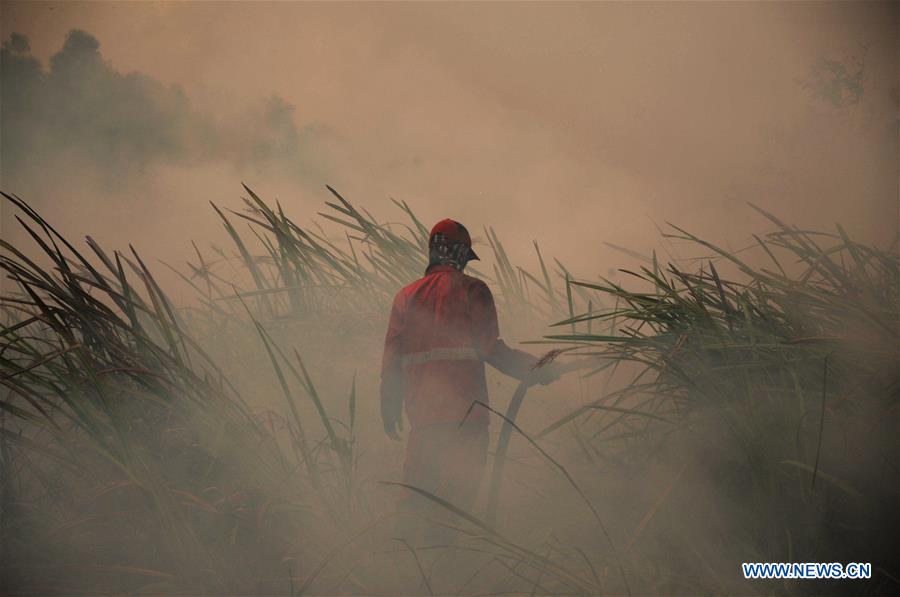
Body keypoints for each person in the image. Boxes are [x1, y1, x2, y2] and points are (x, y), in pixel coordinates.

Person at [381, 218, 559, 544]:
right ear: (460, 254)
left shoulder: (405, 297)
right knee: (456, 508)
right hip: (467, 421)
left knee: (414, 502)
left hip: (423, 420)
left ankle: (400, 569)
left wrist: (388, 406)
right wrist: (538, 369)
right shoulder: (472, 291)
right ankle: (449, 571)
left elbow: (392, 360)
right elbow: (490, 349)